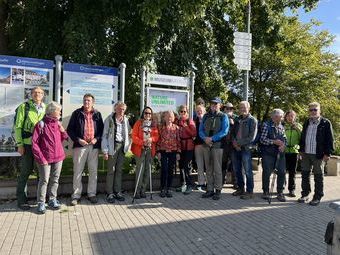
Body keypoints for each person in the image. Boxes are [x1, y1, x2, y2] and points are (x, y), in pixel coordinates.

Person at [67, 94, 104, 206]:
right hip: (80, 146)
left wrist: (96, 139)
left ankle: (91, 194)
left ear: (93, 102)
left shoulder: (97, 114)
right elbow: (70, 130)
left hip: (93, 147)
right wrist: (78, 140)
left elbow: (102, 130)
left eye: (89, 101)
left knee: (93, 171)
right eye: (85, 100)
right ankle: (76, 195)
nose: (86, 102)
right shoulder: (77, 113)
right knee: (78, 171)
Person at [31, 101, 68, 214]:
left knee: (55, 179)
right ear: (52, 112)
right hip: (45, 159)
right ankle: (41, 202)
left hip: (58, 157)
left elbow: (65, 137)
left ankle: (52, 200)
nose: (60, 112)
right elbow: (34, 144)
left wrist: (62, 130)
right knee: (44, 180)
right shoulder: (40, 124)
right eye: (59, 111)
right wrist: (41, 158)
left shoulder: (57, 124)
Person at [14, 86, 46, 210]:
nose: (37, 94)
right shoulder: (24, 107)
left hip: (42, 146)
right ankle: (21, 200)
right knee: (25, 172)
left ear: (43, 95)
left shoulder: (46, 108)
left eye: (40, 92)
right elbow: (18, 127)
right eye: (35, 92)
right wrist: (20, 144)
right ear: (31, 94)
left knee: (42, 173)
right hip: (27, 145)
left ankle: (40, 200)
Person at [298, 102, 334, 206]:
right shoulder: (306, 122)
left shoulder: (325, 123)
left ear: (319, 111)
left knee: (318, 176)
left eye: (315, 110)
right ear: (309, 111)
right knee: (305, 175)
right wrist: (301, 150)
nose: (313, 111)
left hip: (319, 154)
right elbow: (303, 137)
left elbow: (330, 139)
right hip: (306, 153)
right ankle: (305, 194)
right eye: (311, 110)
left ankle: (317, 196)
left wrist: (327, 153)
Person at [199, 97, 229, 200]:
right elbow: (201, 130)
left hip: (217, 146)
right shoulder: (206, 116)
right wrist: (205, 138)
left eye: (216, 104)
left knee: (217, 169)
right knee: (208, 169)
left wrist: (212, 138)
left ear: (220, 105)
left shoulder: (223, 116)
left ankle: (218, 190)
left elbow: (224, 131)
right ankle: (210, 189)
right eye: (212, 104)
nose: (214, 105)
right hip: (206, 145)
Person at [102, 101, 131, 203]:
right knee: (111, 170)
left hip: (122, 147)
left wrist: (127, 146)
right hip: (112, 146)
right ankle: (109, 193)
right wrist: (105, 151)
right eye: (119, 108)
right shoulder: (109, 119)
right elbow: (105, 136)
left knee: (119, 170)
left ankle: (117, 191)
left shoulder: (126, 120)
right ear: (115, 109)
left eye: (123, 109)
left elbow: (128, 134)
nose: (121, 111)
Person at [131, 106, 159, 199]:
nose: (148, 115)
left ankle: (143, 190)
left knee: (147, 170)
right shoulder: (138, 123)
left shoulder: (153, 124)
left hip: (150, 149)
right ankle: (137, 191)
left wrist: (151, 139)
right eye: (146, 113)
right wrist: (142, 142)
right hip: (140, 149)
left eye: (149, 113)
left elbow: (156, 136)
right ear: (143, 114)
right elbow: (134, 136)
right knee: (140, 170)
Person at [231, 101, 258, 199]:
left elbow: (252, 137)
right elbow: (233, 133)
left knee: (248, 171)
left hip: (246, 149)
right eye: (240, 107)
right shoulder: (237, 119)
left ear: (249, 108)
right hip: (235, 149)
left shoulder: (253, 120)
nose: (242, 109)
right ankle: (240, 189)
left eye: (244, 107)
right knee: (237, 170)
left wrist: (238, 143)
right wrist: (234, 143)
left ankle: (250, 191)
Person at [260, 109, 287, 202]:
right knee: (267, 172)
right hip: (268, 153)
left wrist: (283, 145)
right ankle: (266, 191)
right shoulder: (266, 125)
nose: (280, 118)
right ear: (273, 117)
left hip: (280, 154)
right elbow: (262, 139)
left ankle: (280, 192)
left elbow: (285, 139)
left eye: (281, 117)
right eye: (279, 117)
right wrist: (274, 142)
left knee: (282, 172)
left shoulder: (281, 126)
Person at [157, 110, 181, 198]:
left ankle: (169, 188)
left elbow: (178, 141)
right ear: (164, 118)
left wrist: (178, 152)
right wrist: (158, 151)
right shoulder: (160, 128)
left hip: (173, 151)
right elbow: (158, 140)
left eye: (171, 116)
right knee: (164, 169)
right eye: (167, 116)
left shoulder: (177, 128)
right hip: (163, 151)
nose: (169, 118)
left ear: (173, 118)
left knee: (170, 170)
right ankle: (162, 188)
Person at [176, 105, 196, 195]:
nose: (183, 113)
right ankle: (183, 184)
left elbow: (194, 133)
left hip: (189, 146)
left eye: (184, 111)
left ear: (187, 112)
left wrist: (185, 127)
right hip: (180, 146)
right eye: (181, 111)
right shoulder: (177, 122)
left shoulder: (190, 121)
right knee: (180, 166)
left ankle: (189, 185)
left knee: (186, 166)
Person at [284, 110, 302, 197]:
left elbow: (302, 138)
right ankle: (281, 188)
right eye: (288, 116)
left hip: (294, 152)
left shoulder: (299, 126)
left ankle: (291, 189)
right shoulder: (283, 126)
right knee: (282, 171)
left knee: (292, 172)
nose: (290, 117)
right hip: (284, 151)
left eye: (292, 116)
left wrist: (298, 129)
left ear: (295, 117)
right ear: (286, 117)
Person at [222, 102, 238, 189]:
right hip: (223, 143)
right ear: (224, 109)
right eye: (227, 108)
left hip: (233, 144)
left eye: (230, 109)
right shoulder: (221, 117)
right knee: (223, 163)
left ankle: (235, 182)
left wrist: (233, 123)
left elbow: (239, 131)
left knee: (234, 164)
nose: (228, 110)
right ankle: (221, 181)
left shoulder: (236, 118)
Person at [194, 104, 206, 191]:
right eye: (197, 110)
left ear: (204, 111)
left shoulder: (207, 120)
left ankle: (209, 183)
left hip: (207, 145)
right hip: (197, 145)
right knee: (200, 165)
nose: (199, 112)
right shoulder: (194, 121)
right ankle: (201, 183)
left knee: (208, 165)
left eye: (200, 110)